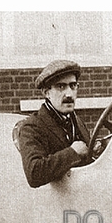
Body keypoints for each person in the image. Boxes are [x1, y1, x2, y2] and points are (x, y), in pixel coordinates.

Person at [13, 60, 91, 188]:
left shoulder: (76, 120)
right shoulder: (32, 127)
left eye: (73, 86)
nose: (69, 94)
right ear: (46, 92)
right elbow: (34, 173)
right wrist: (73, 153)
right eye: (61, 87)